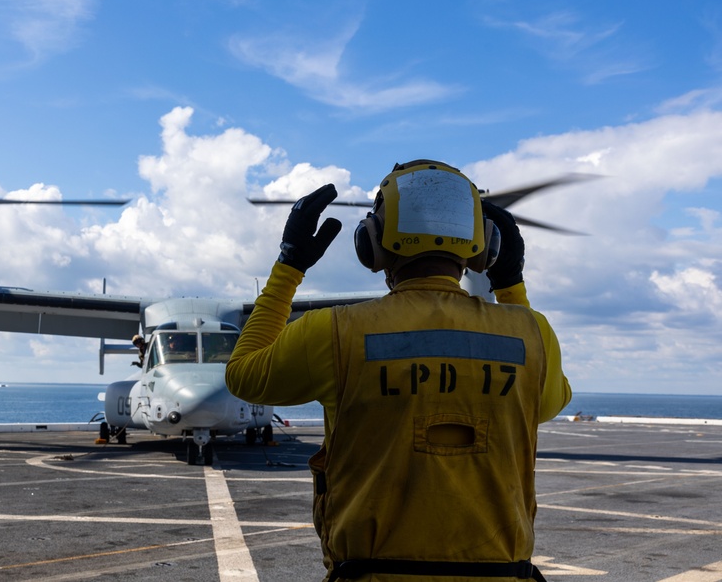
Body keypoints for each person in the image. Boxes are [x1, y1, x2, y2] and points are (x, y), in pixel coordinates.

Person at [226, 160, 571, 582]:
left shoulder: (335, 331)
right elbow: (548, 402)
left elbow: (242, 375)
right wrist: (510, 284)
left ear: (371, 243)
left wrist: (289, 266)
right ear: (487, 247)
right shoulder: (532, 333)